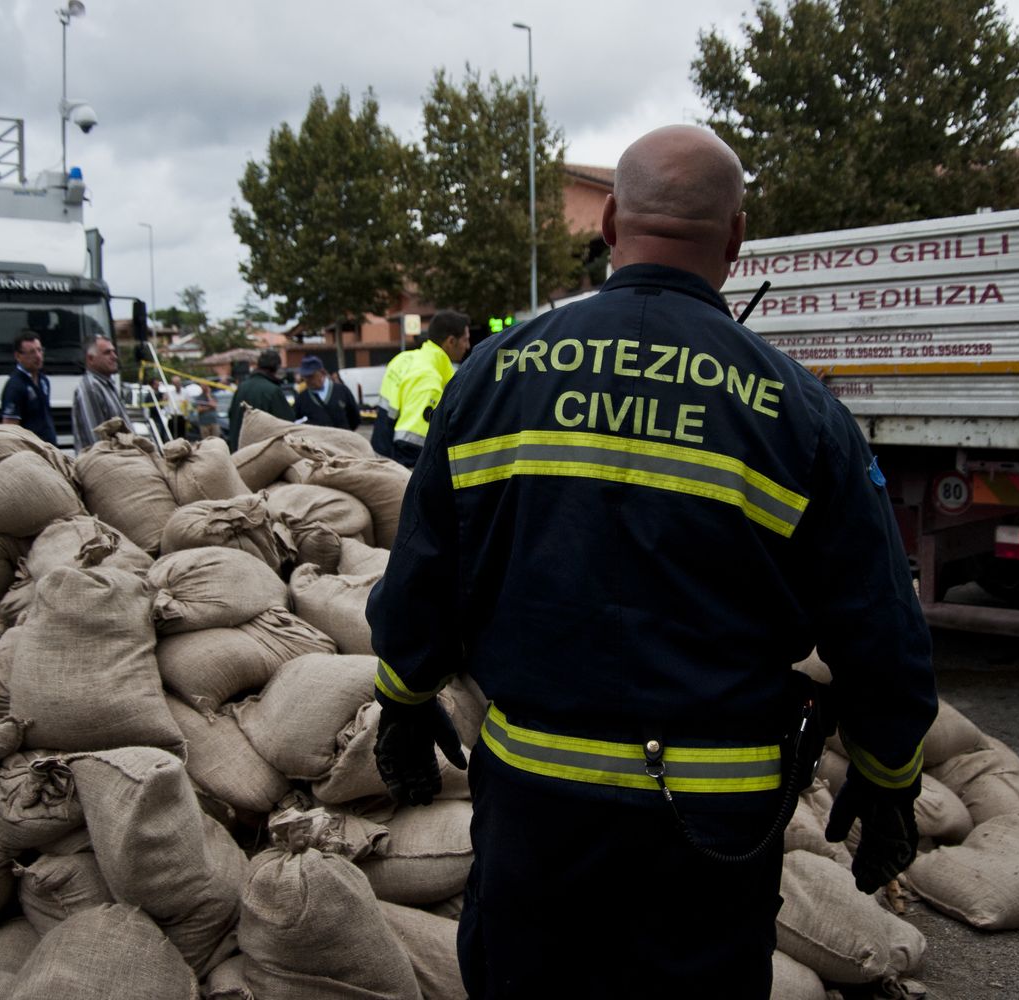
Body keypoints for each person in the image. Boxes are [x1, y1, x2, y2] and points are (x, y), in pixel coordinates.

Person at [365, 125, 938, 998]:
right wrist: (889, 776)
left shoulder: (493, 376)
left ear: (606, 221)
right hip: (716, 820)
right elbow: (879, 626)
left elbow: (425, 572)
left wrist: (403, 700)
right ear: (737, 239)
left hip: (536, 807)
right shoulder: (800, 411)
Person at [370, 310, 469, 467]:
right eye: (465, 340)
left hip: (379, 459)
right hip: (401, 471)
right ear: (451, 341)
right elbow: (411, 446)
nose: (467, 346)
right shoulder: (429, 379)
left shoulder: (404, 359)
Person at [226, 349, 293, 450]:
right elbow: (287, 422)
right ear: (276, 368)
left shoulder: (241, 388)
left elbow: (231, 416)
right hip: (261, 455)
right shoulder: (272, 390)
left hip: (238, 453)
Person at [71, 336, 129, 452]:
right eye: (107, 353)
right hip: (104, 465)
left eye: (114, 352)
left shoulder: (107, 385)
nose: (114, 357)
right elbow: (96, 441)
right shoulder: (91, 388)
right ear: (91, 359)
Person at [0, 332, 58, 445]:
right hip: (31, 450)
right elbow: (10, 427)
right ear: (18, 356)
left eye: (39, 350)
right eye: (32, 352)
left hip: (48, 447)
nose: (38, 356)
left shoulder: (43, 380)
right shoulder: (15, 386)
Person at [293, 356, 361, 431]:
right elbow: (296, 422)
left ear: (322, 373)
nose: (308, 380)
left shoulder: (342, 391)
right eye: (305, 377)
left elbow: (355, 418)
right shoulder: (302, 398)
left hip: (342, 440)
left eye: (311, 376)